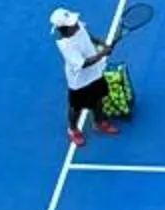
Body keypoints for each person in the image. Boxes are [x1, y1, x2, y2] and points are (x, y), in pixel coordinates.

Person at [52, 8, 122, 148]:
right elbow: (84, 64)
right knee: (76, 108)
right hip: (79, 82)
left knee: (98, 98)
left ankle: (99, 122)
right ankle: (72, 129)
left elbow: (88, 35)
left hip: (95, 73)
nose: (76, 24)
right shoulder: (65, 45)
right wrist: (102, 54)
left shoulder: (76, 26)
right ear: (65, 29)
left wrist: (102, 43)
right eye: (72, 24)